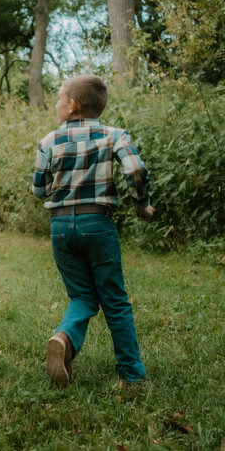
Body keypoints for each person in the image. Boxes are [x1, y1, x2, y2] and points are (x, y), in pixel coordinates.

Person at [32, 74, 154, 386]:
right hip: (97, 224)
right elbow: (136, 170)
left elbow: (39, 190)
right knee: (114, 299)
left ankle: (64, 337)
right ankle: (132, 374)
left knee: (83, 295)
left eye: (59, 99)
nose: (57, 105)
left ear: (72, 106)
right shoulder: (114, 136)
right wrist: (141, 204)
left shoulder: (48, 142)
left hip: (60, 227)